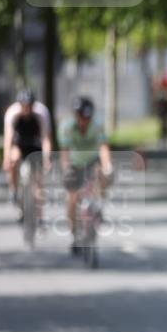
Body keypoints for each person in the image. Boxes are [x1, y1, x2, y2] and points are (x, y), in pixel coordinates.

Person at [60, 97, 112, 254]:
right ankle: (74, 235)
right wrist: (66, 168)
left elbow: (103, 147)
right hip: (75, 163)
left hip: (91, 160)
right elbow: (65, 152)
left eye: (87, 118)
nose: (84, 121)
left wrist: (108, 165)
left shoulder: (97, 125)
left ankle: (99, 205)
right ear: (76, 116)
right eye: (81, 117)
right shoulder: (67, 127)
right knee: (71, 198)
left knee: (101, 173)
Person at [1, 90, 52, 218]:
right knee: (13, 159)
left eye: (29, 106)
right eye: (24, 106)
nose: (26, 109)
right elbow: (8, 139)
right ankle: (14, 190)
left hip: (35, 145)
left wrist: (47, 159)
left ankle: (40, 218)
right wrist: (6, 159)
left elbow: (46, 138)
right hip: (19, 144)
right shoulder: (12, 113)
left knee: (38, 182)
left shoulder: (41, 113)